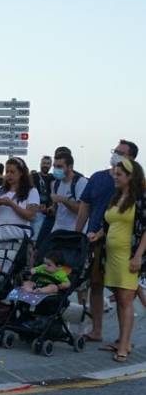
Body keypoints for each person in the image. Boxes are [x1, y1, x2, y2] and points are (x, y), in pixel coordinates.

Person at [76, 140, 139, 344]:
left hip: (124, 246)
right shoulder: (98, 178)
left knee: (123, 294)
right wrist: (78, 233)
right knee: (95, 284)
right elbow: (85, 206)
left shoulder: (137, 185)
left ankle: (124, 340)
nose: (116, 155)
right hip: (96, 239)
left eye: (121, 153)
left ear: (131, 159)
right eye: (115, 151)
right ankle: (97, 330)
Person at [87, 158, 146, 363]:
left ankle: (124, 345)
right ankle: (123, 340)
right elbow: (110, 224)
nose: (115, 176)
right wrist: (98, 235)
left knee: (125, 300)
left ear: (130, 177)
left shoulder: (140, 198)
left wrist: (138, 256)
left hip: (129, 256)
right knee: (120, 299)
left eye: (119, 174)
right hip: (111, 256)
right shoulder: (116, 197)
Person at [0, 158, 40, 242]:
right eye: (7, 172)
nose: (9, 175)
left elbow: (30, 216)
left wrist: (11, 204)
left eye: (12, 172)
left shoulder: (31, 191)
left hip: (19, 237)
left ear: (21, 173)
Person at [49, 152, 88, 233]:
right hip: (57, 230)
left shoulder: (80, 182)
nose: (56, 169)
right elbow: (56, 210)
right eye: (54, 166)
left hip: (73, 231)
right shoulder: (55, 184)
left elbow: (81, 210)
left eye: (59, 166)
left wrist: (63, 200)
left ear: (70, 167)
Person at [31, 155, 54, 239]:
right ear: (40, 164)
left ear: (51, 165)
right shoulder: (34, 176)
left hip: (49, 213)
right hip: (37, 212)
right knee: (35, 238)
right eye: (44, 163)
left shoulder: (53, 177)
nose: (45, 165)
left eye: (48, 163)